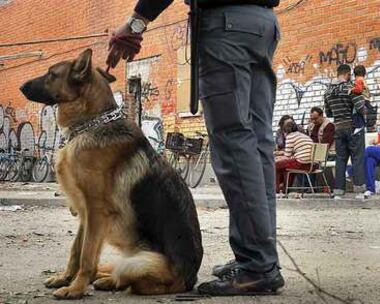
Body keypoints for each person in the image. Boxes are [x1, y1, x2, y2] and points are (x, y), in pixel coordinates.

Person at [106, 0, 284, 296]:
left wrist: (138, 22)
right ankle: (259, 258)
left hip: (226, 25)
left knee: (234, 143)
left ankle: (257, 266)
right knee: (258, 144)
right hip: (263, 24)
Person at [324, 64, 367, 200]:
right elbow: (361, 107)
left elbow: (328, 112)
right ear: (348, 74)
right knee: (357, 158)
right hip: (353, 127)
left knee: (340, 160)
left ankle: (338, 192)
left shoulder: (328, 92)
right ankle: (359, 191)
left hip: (338, 128)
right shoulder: (350, 88)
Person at [275, 120, 313, 193]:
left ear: (285, 130)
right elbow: (293, 155)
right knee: (287, 166)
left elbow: (287, 156)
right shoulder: (303, 135)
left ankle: (275, 189)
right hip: (312, 164)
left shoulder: (290, 136)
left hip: (302, 163)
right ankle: (285, 189)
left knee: (276, 164)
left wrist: (278, 158)